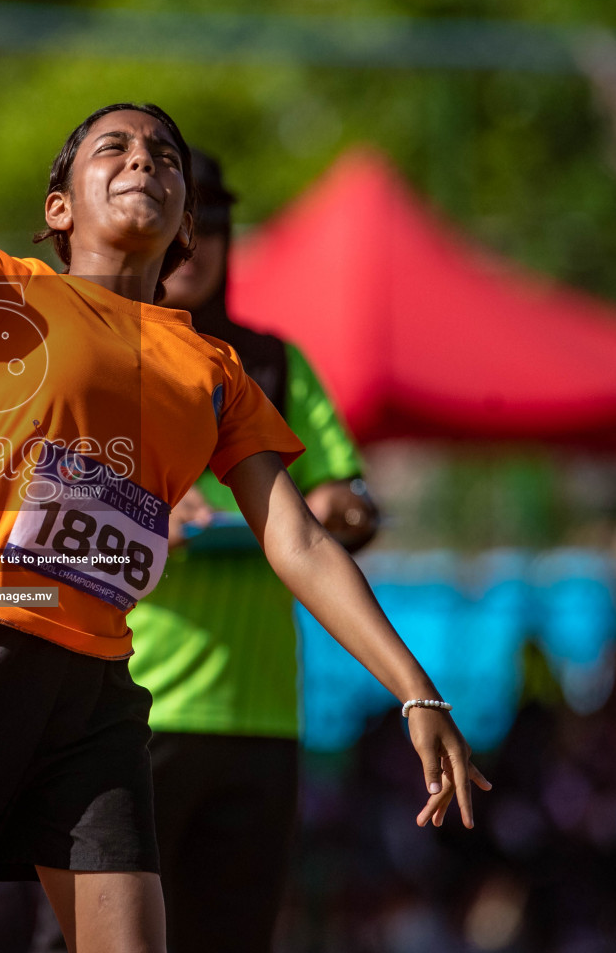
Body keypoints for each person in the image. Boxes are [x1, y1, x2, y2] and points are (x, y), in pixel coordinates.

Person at [0, 99, 488, 953]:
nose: (145, 162)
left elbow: (302, 540)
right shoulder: (8, 289)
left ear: (186, 231)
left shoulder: (218, 372)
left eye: (164, 156)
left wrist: (414, 688)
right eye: (114, 149)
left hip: (97, 690)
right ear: (60, 209)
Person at [131, 149, 379, 952]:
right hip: (132, 708)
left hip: (262, 719)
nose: (195, 246)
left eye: (212, 225)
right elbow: (24, 507)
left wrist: (340, 505)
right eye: (179, 225)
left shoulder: (269, 365)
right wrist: (137, 510)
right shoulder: (105, 358)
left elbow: (347, 504)